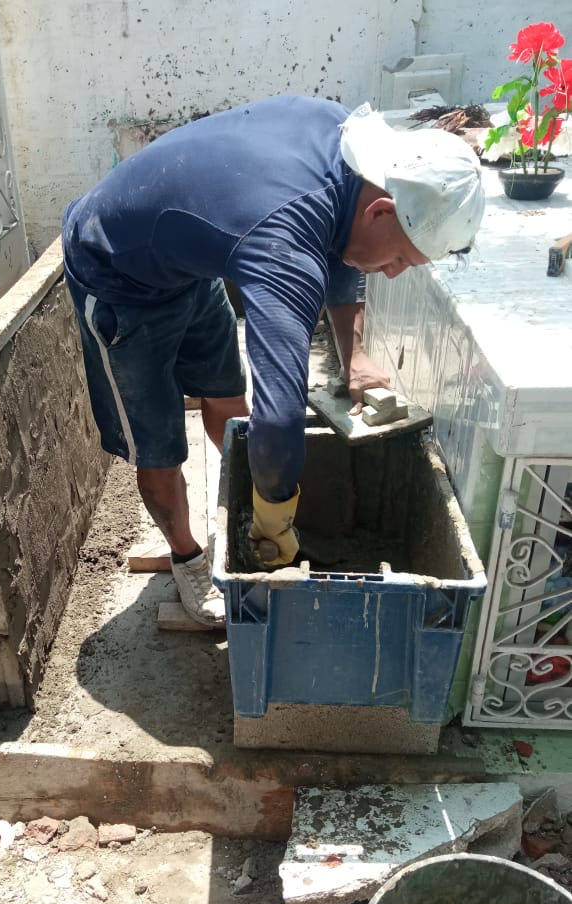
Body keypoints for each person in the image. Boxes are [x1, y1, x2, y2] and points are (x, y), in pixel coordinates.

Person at [61, 98, 485, 629]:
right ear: (381, 211)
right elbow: (280, 418)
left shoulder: (352, 148)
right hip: (115, 271)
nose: (394, 272)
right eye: (400, 257)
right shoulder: (282, 248)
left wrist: (354, 356)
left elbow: (341, 242)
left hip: (188, 262)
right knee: (159, 449)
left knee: (226, 400)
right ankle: (188, 557)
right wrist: (277, 518)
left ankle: (239, 508)